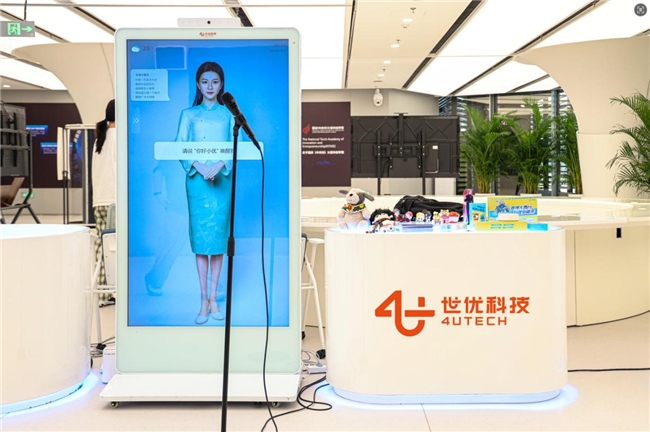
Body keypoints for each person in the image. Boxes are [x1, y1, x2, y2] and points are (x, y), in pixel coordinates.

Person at [175, 61, 234, 325]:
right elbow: (179, 145)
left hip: (222, 180)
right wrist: (199, 166)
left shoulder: (229, 115)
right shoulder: (188, 114)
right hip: (197, 181)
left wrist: (219, 165)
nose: (210, 86)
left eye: (215, 81)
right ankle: (203, 301)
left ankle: (214, 299)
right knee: (201, 243)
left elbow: (236, 144)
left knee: (218, 241)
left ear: (221, 85)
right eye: (205, 81)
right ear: (198, 85)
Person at [92, 99, 116, 292]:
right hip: (114, 201)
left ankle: (101, 292)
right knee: (116, 248)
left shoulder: (100, 138)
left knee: (102, 246)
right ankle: (115, 290)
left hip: (100, 199)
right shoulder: (119, 137)